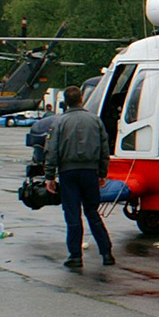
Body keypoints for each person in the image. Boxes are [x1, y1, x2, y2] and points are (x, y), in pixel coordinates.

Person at [45, 85, 115, 268]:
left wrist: (49, 176)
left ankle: (75, 255)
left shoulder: (60, 122)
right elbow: (104, 149)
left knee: (72, 214)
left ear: (65, 103)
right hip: (90, 171)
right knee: (92, 212)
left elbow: (51, 150)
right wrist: (102, 172)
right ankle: (106, 252)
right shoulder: (95, 121)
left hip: (68, 172)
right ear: (81, 99)